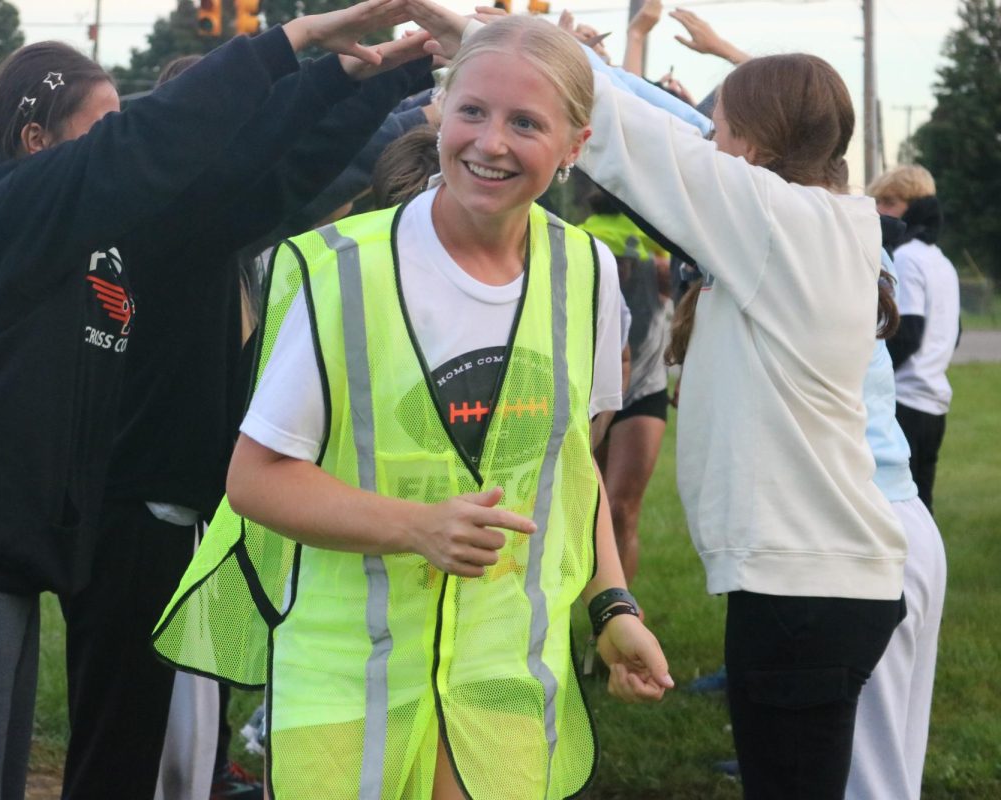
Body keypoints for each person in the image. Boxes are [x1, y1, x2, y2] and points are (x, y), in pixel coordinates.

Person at [0, 4, 424, 798]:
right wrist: (289, 43)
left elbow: (253, 170)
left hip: (0, 575)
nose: (124, 143)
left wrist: (358, 76)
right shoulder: (5, 208)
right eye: (103, 128)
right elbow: (158, 140)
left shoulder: (102, 241)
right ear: (35, 142)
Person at [154, 15, 672, 800]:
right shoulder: (345, 271)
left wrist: (611, 607)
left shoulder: (587, 273)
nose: (490, 142)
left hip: (500, 683)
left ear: (574, 145)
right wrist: (417, 528)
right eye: (472, 111)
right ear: (441, 113)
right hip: (353, 686)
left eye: (525, 122)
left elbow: (571, 472)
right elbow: (255, 481)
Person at [402, 7, 909, 796]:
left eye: (721, 131)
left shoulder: (783, 227)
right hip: (822, 582)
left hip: (807, 588)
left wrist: (495, 39)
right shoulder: (819, 225)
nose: (709, 144)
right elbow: (666, 130)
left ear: (755, 144)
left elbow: (641, 139)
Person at [60, 41, 437, 800]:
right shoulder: (173, 222)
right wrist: (409, 84)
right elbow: (315, 161)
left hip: (171, 518)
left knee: (181, 752)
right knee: (124, 749)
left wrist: (407, 78)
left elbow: (311, 155)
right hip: (139, 527)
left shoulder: (203, 228)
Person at [844, 250, 947, 800]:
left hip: (862, 527)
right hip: (897, 511)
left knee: (868, 780)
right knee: (888, 772)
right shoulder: (862, 235)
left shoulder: (794, 224)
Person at [579, 190, 670, 582]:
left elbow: (677, 286)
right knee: (593, 509)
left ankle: (618, 614)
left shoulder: (656, 236)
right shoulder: (578, 238)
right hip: (594, 388)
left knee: (620, 509)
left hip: (646, 383)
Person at [867, 165, 959, 510]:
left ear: (916, 206)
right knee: (922, 505)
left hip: (905, 400)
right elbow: (956, 332)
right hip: (934, 401)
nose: (878, 210)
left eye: (889, 202)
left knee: (895, 511)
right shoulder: (941, 261)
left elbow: (908, 334)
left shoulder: (905, 258)